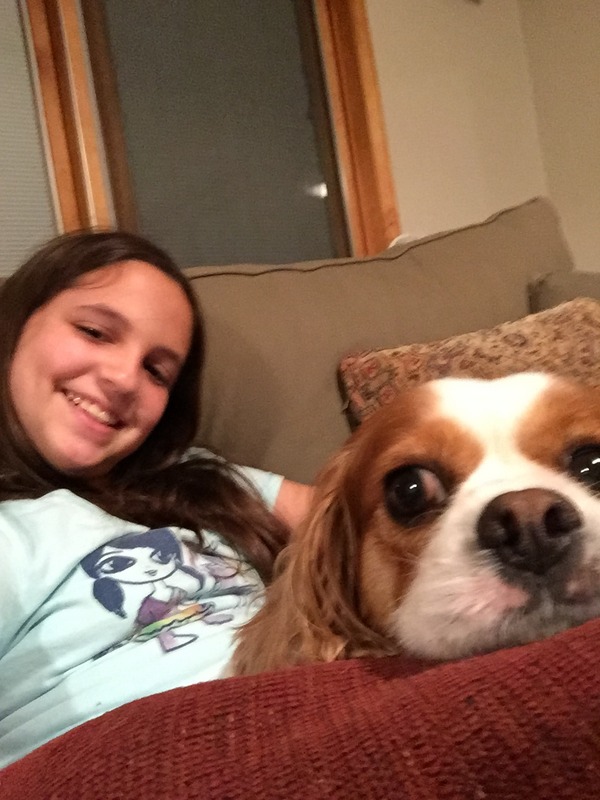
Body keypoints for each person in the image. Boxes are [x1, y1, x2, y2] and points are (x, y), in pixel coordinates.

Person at [0, 230, 312, 768]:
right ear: (16, 324)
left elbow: (358, 519)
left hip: (324, 697)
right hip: (155, 760)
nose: (125, 379)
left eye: (156, 370)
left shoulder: (194, 477)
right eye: (95, 332)